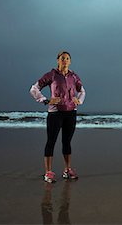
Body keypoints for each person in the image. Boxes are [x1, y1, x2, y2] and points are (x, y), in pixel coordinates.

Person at [30, 51, 86, 183]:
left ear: (70, 61)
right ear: (58, 60)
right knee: (51, 141)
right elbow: (34, 88)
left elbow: (82, 91)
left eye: (67, 58)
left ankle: (67, 170)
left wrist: (79, 100)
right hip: (55, 113)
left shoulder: (74, 76)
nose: (65, 60)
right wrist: (45, 100)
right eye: (62, 58)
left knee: (67, 142)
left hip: (71, 113)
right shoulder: (52, 75)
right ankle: (48, 172)